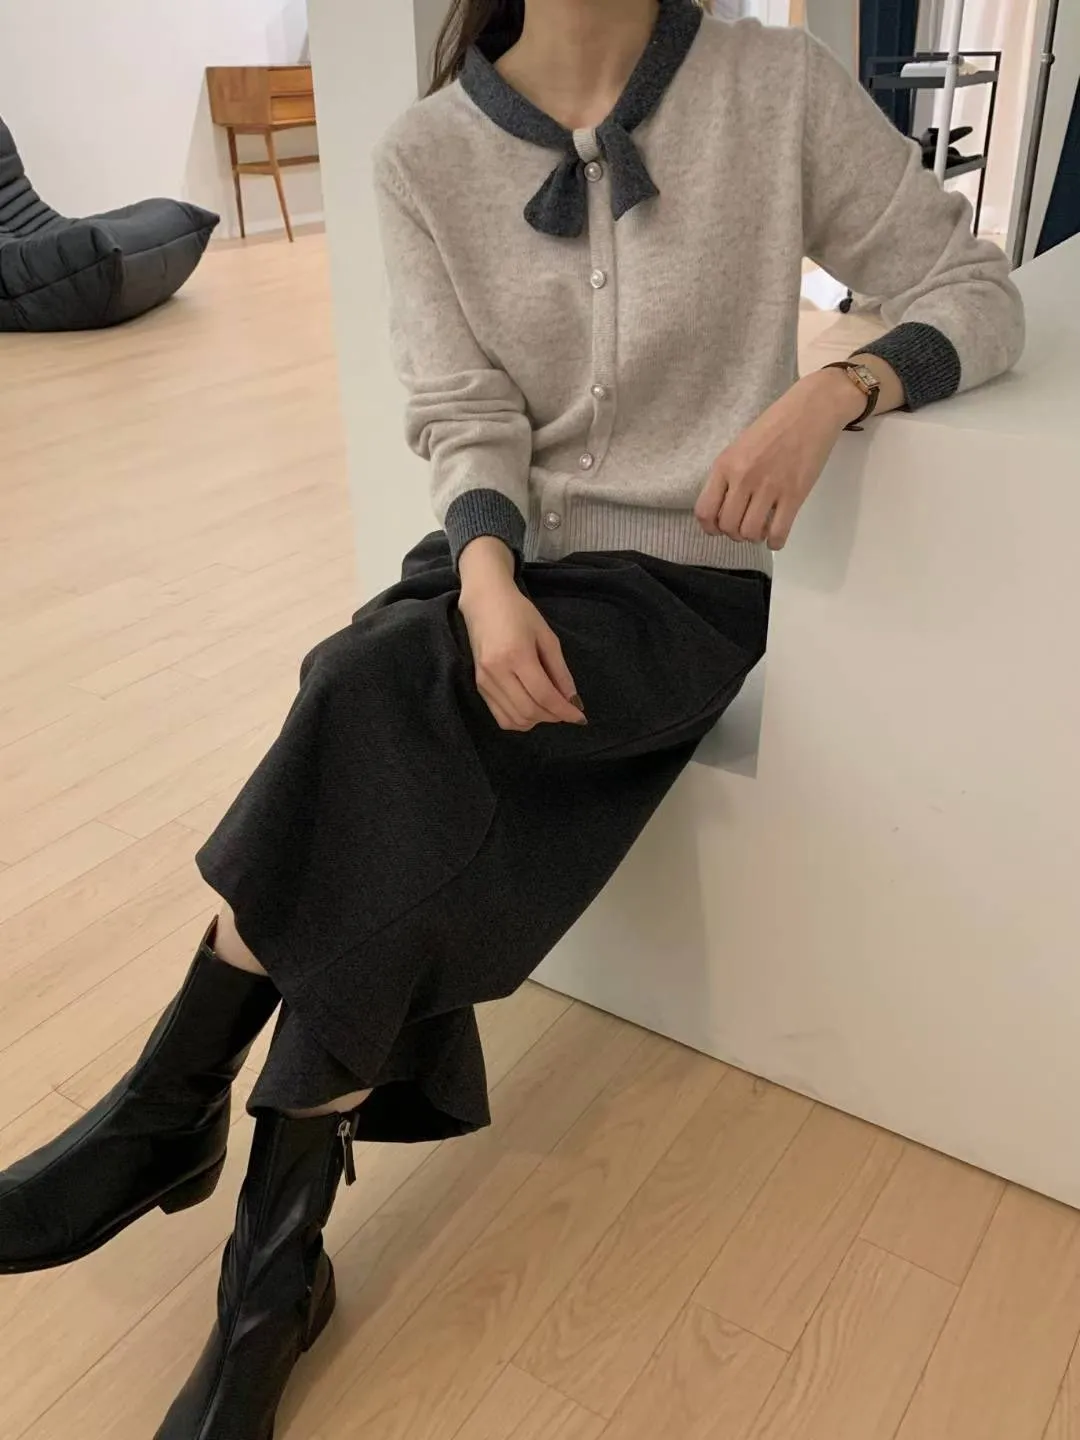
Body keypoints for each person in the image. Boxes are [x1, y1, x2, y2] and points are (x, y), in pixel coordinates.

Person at [0, 1, 1024, 1435]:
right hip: (495, 568)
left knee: (362, 694)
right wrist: (484, 574)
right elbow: (462, 406)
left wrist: (837, 390)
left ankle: (177, 1125)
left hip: (680, 594)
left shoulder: (772, 88)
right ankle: (263, 1269)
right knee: (377, 709)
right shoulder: (426, 153)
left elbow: (975, 288)